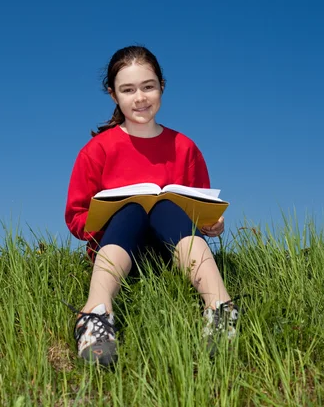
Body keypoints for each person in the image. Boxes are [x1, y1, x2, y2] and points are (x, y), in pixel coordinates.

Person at [65, 46, 238, 366]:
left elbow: (201, 206)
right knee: (131, 209)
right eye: (128, 90)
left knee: (166, 205)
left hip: (172, 252)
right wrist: (107, 211)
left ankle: (220, 309)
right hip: (119, 250)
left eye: (148, 86)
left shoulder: (185, 148)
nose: (140, 97)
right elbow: (76, 218)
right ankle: (94, 314)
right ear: (113, 95)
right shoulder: (96, 150)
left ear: (161, 87)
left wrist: (213, 224)